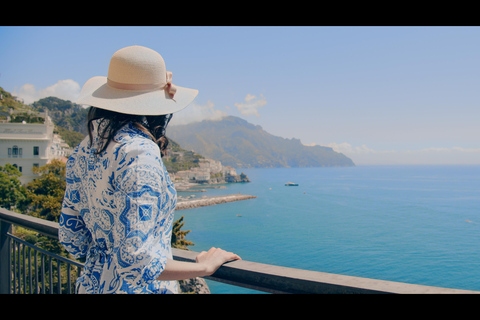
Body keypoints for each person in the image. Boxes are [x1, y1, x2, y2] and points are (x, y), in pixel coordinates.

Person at [58, 45, 241, 294]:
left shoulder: (84, 149)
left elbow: (72, 240)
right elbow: (136, 265)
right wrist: (205, 268)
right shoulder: (139, 152)